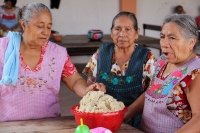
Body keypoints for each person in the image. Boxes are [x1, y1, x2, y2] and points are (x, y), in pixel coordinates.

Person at [0, 2, 105, 121]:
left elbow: (74, 79)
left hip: (49, 125)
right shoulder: (3, 48)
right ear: (24, 24)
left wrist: (86, 90)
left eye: (49, 27)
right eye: (40, 26)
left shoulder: (58, 53)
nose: (45, 32)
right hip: (8, 125)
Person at [124, 14, 200, 133]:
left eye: (172, 38)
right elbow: (150, 94)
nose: (164, 43)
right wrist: (124, 114)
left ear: (191, 42)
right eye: (162, 36)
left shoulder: (195, 72)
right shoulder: (162, 61)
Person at [82, 11, 156, 129]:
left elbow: (150, 94)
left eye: (128, 29)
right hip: (104, 118)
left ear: (137, 33)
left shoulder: (147, 57)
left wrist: (125, 115)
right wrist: (96, 88)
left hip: (135, 120)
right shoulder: (101, 53)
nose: (122, 34)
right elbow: (90, 82)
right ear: (111, 32)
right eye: (117, 29)